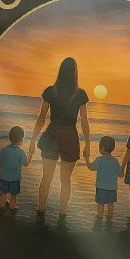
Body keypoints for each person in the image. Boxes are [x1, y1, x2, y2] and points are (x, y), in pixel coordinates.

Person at [29, 57, 90, 219]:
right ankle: (62, 215)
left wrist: (33, 140)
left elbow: (42, 117)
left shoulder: (51, 91)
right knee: (66, 181)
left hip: (52, 135)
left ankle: (40, 212)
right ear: (75, 73)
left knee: (46, 178)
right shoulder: (80, 94)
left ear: (60, 71)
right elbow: (84, 121)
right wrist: (88, 144)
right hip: (70, 136)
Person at [0, 126, 28, 211]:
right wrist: (30, 155)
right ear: (20, 140)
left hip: (3, 178)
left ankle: (2, 207)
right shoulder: (21, 152)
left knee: (3, 193)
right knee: (13, 195)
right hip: (15, 179)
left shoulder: (4, 150)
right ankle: (12, 208)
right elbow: (25, 164)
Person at [90, 136, 122, 224]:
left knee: (100, 204)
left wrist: (86, 159)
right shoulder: (115, 161)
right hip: (112, 188)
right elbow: (120, 174)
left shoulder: (99, 160)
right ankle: (110, 218)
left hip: (101, 188)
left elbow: (91, 168)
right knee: (111, 204)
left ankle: (99, 217)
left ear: (102, 148)